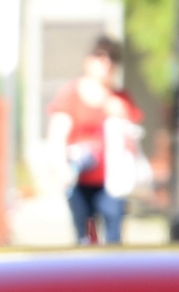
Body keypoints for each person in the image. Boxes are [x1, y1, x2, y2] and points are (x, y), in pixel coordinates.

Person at [45, 38, 142, 244]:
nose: (106, 64)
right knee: (85, 237)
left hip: (112, 181)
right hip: (79, 180)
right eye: (100, 57)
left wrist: (118, 112)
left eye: (112, 59)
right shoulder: (71, 94)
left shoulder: (120, 98)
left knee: (113, 236)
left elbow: (132, 136)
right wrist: (61, 168)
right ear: (89, 61)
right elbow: (58, 134)